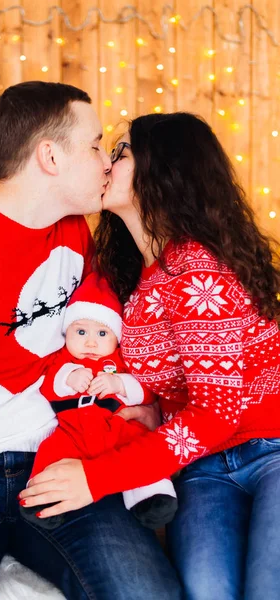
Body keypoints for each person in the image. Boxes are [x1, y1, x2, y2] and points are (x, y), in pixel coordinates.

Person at [0, 83, 182, 600]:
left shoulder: (74, 232)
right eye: (93, 146)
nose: (105, 162)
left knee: (146, 593)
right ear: (49, 155)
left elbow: (103, 339)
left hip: (57, 455)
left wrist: (143, 407)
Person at [20, 111, 280, 600]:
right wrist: (148, 406)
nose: (106, 163)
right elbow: (178, 385)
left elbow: (216, 412)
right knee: (206, 590)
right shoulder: (136, 278)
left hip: (271, 447)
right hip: (204, 466)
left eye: (120, 153)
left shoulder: (199, 269)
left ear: (161, 171)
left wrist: (95, 478)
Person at [19, 271, 177, 530]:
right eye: (80, 331)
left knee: (140, 447)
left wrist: (119, 384)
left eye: (102, 334)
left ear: (116, 337)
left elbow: (146, 391)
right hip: (73, 432)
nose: (90, 342)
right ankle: (43, 497)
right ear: (66, 332)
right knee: (51, 451)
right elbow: (49, 385)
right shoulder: (64, 360)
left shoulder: (120, 360)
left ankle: (150, 495)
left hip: (115, 426)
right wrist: (69, 376)